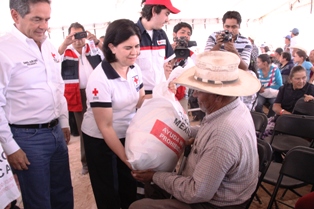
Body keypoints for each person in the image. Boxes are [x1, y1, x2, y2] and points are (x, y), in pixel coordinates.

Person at [129, 51, 260, 209]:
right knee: (153, 182)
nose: (195, 94)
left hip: (214, 204)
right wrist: (174, 127)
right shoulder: (233, 107)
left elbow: (195, 192)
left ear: (218, 96)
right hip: (209, 189)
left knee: (139, 206)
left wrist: (155, 176)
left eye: (200, 90)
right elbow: (205, 129)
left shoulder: (222, 135)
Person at [0, 0, 74, 208]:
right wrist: (10, 146)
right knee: (39, 200)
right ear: (15, 16)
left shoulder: (49, 46)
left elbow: (57, 86)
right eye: (37, 19)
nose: (44, 26)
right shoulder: (3, 50)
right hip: (27, 139)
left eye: (47, 19)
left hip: (55, 132)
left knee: (63, 194)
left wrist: (64, 121)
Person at [81, 19, 146, 209]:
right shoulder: (99, 79)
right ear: (112, 47)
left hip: (127, 132)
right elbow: (106, 127)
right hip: (100, 139)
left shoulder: (134, 69)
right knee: (108, 190)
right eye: (128, 48)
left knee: (129, 187)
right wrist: (128, 160)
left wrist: (162, 98)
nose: (134, 52)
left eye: (136, 46)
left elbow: (140, 101)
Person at [58, 22, 103, 175]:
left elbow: (109, 55)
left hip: (96, 93)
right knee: (84, 129)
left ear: (85, 34)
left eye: (80, 34)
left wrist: (96, 40)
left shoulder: (93, 47)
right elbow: (53, 58)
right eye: (74, 35)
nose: (77, 39)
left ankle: (101, 159)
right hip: (77, 94)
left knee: (102, 125)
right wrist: (65, 43)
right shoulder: (66, 51)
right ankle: (86, 162)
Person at [135, 0, 180, 96]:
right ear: (154, 11)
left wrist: (169, 82)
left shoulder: (162, 34)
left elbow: (166, 64)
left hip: (160, 93)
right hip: (138, 96)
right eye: (166, 14)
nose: (167, 20)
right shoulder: (131, 34)